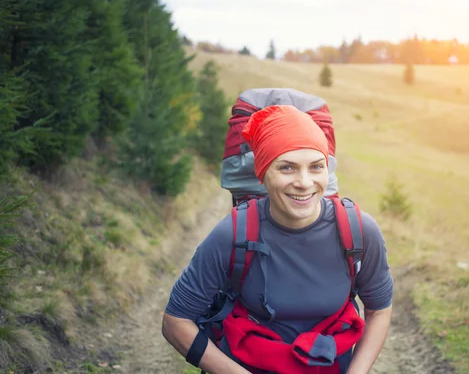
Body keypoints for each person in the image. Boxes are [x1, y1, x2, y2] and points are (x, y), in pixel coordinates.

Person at [162, 104, 393, 373]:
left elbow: (379, 310)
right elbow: (176, 321)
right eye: (287, 168)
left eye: (316, 166)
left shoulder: (359, 231)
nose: (304, 182)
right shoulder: (233, 234)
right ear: (262, 174)